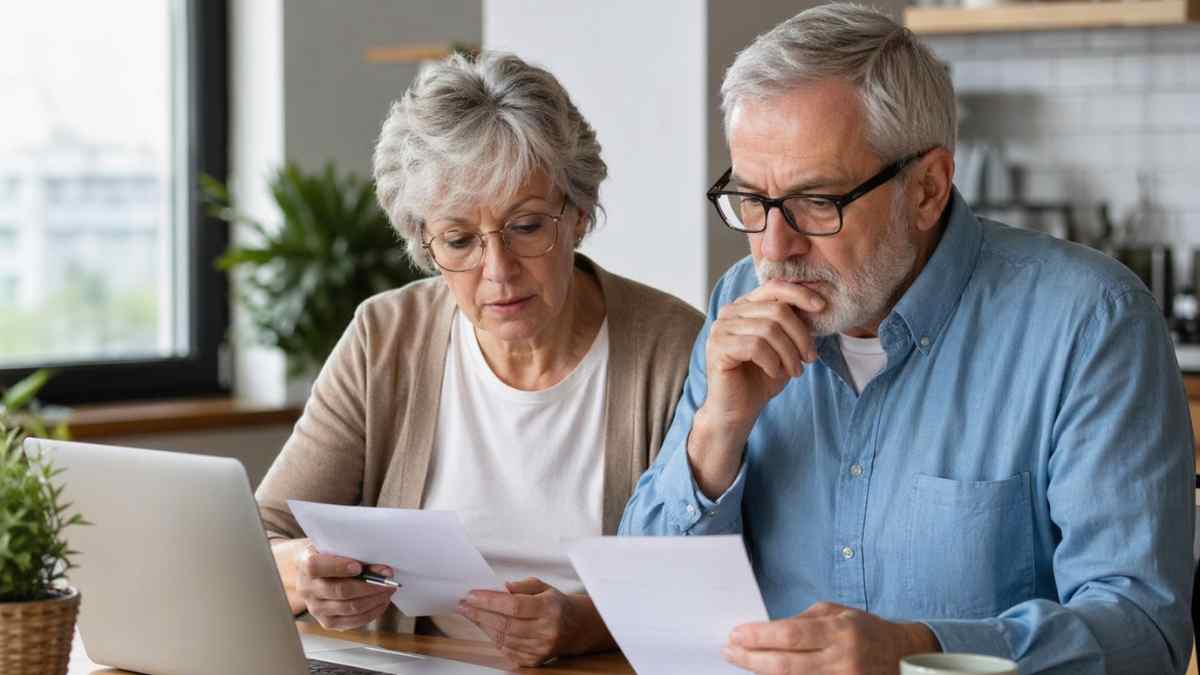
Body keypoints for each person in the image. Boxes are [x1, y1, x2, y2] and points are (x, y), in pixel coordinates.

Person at [619, 5, 1194, 674]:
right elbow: (650, 610)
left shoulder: (1091, 323)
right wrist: (719, 428)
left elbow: (1142, 631)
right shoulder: (738, 302)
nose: (774, 247)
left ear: (927, 189)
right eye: (752, 199)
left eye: (816, 201)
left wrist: (919, 653)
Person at [256, 51, 703, 667]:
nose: (498, 272)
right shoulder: (386, 336)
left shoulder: (675, 349)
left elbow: (705, 580)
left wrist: (581, 625)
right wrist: (305, 572)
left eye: (525, 227)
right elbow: (256, 535)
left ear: (577, 215)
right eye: (460, 240)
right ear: (424, 243)